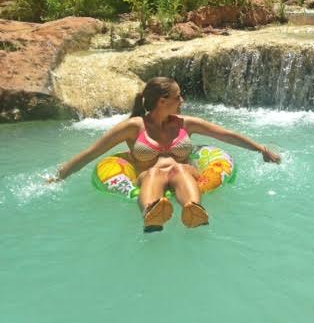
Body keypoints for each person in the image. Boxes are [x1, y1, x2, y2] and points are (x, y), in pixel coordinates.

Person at [50, 77, 281, 232]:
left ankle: (194, 211)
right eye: (178, 97)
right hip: (149, 176)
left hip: (185, 173)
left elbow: (226, 135)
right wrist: (59, 176)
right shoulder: (134, 127)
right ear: (163, 101)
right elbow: (93, 152)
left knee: (178, 169)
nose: (183, 100)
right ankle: (152, 215)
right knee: (154, 175)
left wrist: (260, 148)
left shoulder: (185, 123)